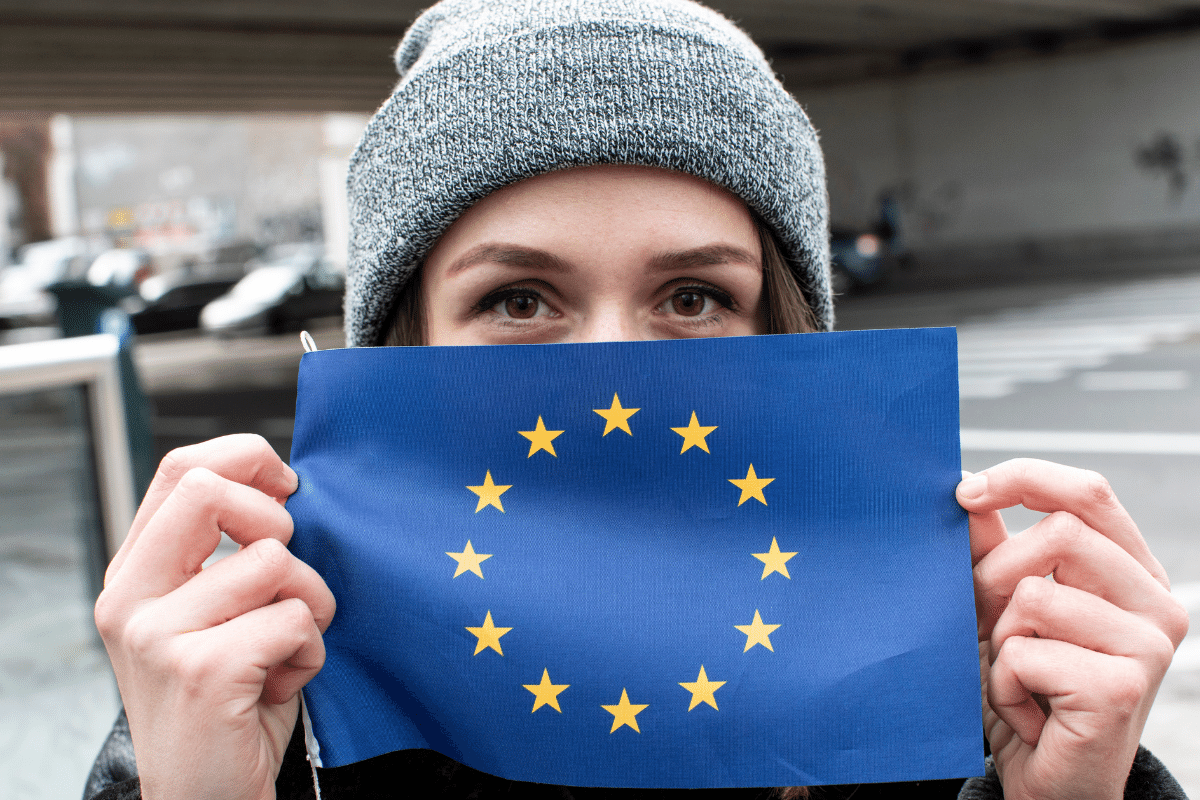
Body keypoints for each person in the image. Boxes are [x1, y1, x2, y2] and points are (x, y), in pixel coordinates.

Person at [86, 1, 1190, 799]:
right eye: (519, 298)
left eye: (696, 295)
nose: (613, 377)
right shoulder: (256, 715)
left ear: (788, 332)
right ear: (400, 344)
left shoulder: (935, 716)